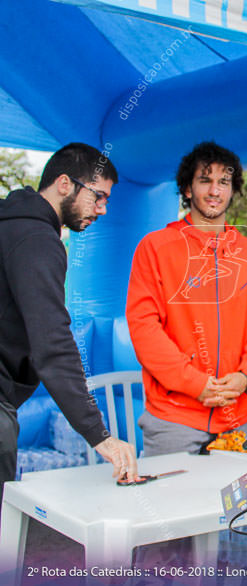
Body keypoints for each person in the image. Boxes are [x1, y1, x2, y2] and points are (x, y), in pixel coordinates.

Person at [0, 143, 139, 499]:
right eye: (98, 196)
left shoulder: (12, 226)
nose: (103, 209)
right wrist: (100, 435)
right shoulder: (36, 240)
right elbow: (53, 344)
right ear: (64, 184)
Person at [126, 141, 247, 456]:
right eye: (205, 180)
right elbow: (143, 328)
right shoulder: (155, 248)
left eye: (224, 181)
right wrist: (195, 383)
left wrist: (246, 376)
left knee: (234, 507)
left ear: (234, 190)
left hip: (236, 419)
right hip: (173, 421)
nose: (214, 190)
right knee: (169, 507)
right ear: (187, 188)